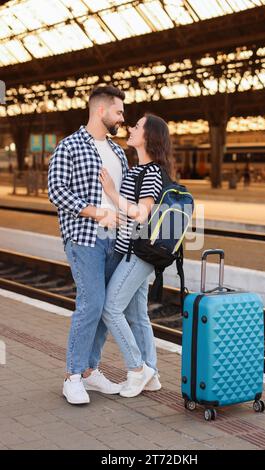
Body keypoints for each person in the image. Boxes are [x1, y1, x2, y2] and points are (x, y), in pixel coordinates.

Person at [48, 85, 129, 405]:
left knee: (107, 307)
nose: (123, 117)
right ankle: (71, 376)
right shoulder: (69, 146)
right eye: (119, 112)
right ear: (101, 110)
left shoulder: (119, 151)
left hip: (117, 241)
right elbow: (56, 191)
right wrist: (97, 213)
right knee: (92, 303)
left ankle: (89, 371)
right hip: (84, 238)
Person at [98, 114, 173, 398]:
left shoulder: (151, 172)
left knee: (110, 308)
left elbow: (142, 213)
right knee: (137, 314)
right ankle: (151, 374)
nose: (131, 128)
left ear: (149, 137)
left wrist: (113, 195)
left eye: (137, 126)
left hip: (138, 253)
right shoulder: (136, 170)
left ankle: (137, 368)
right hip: (133, 249)